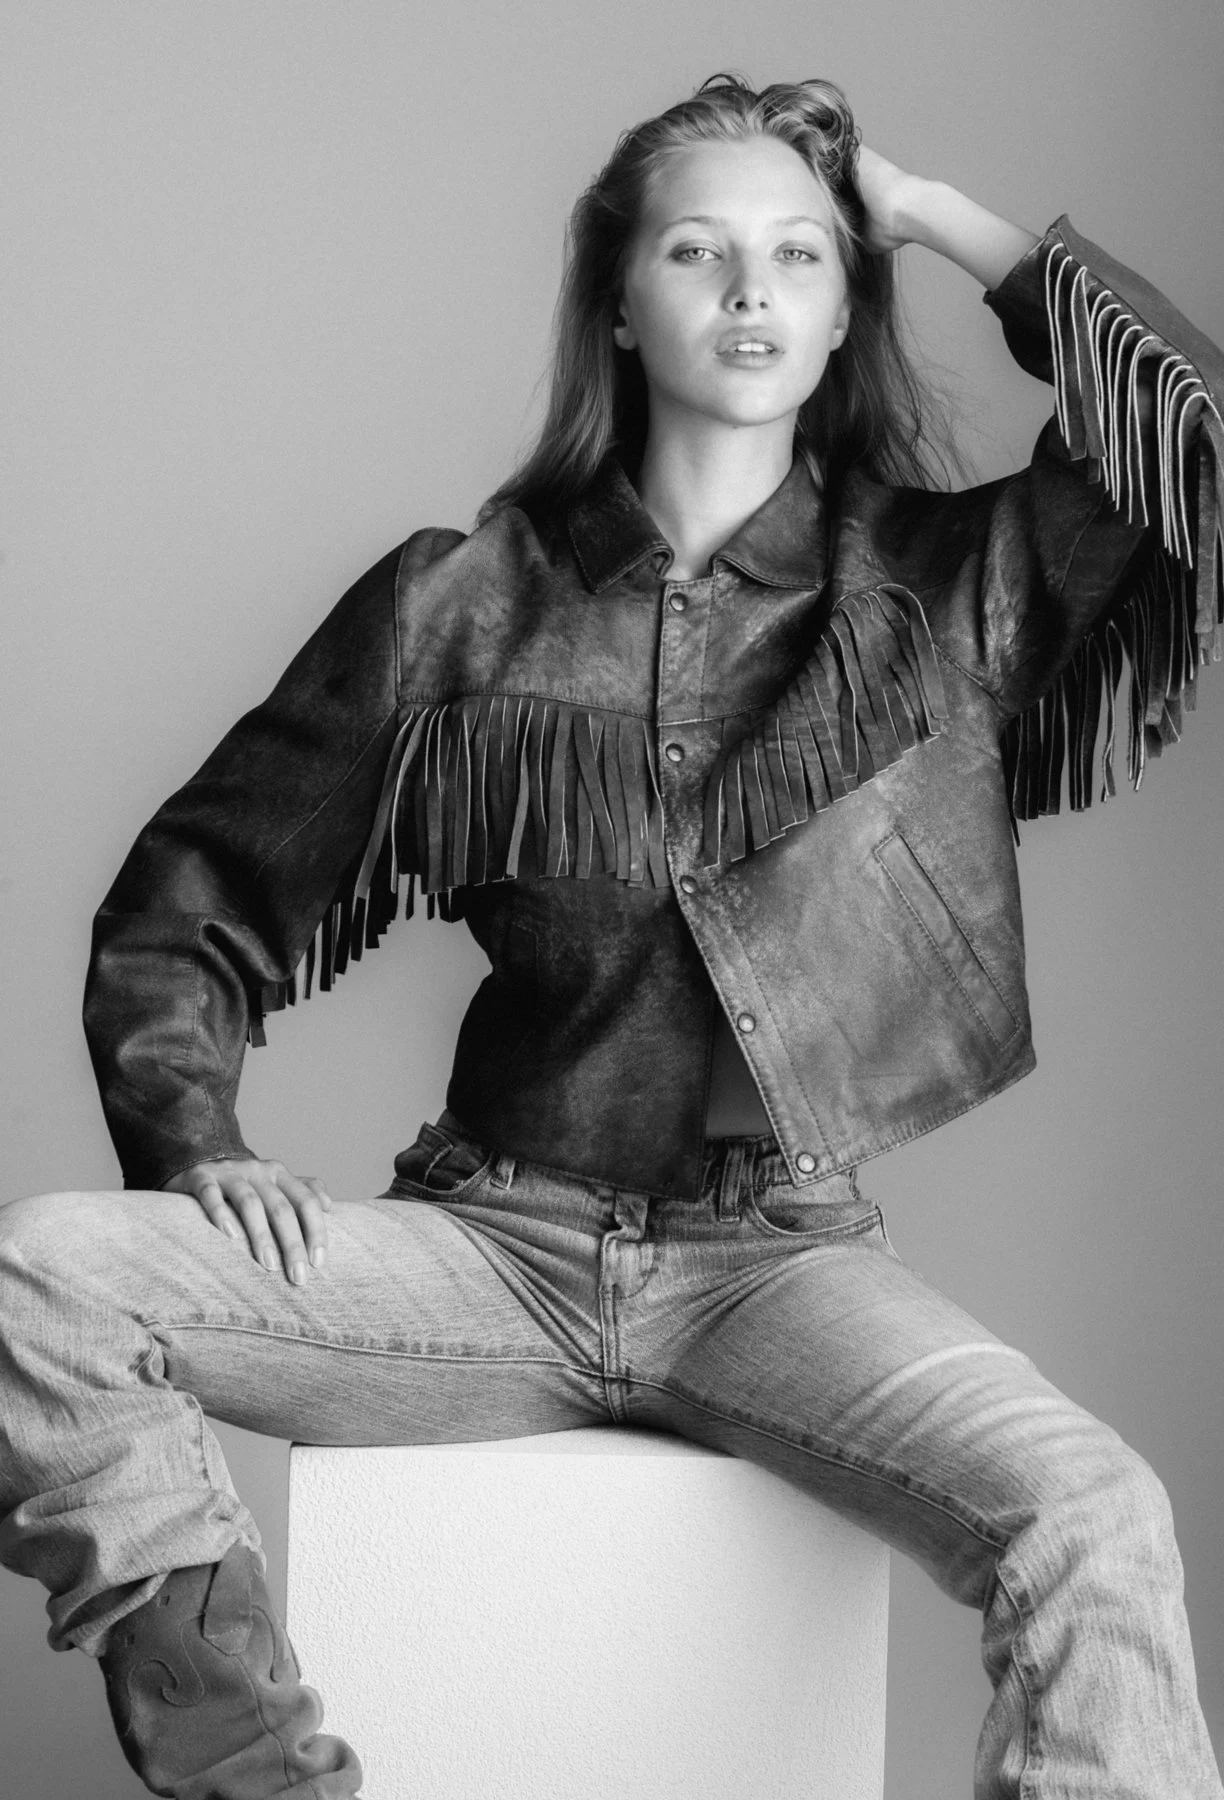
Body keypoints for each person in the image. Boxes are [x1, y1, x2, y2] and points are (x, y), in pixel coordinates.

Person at [1, 71, 1221, 1800]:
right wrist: (193, 1143)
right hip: (487, 1251)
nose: (752, 288)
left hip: (776, 1269)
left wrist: (941, 219)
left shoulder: (946, 585)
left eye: (802, 255)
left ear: (846, 310)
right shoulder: (456, 602)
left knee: (1094, 1513)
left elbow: (1194, 427)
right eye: (700, 250)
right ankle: (260, 1775)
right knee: (40, 1276)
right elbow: (190, 893)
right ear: (623, 304)